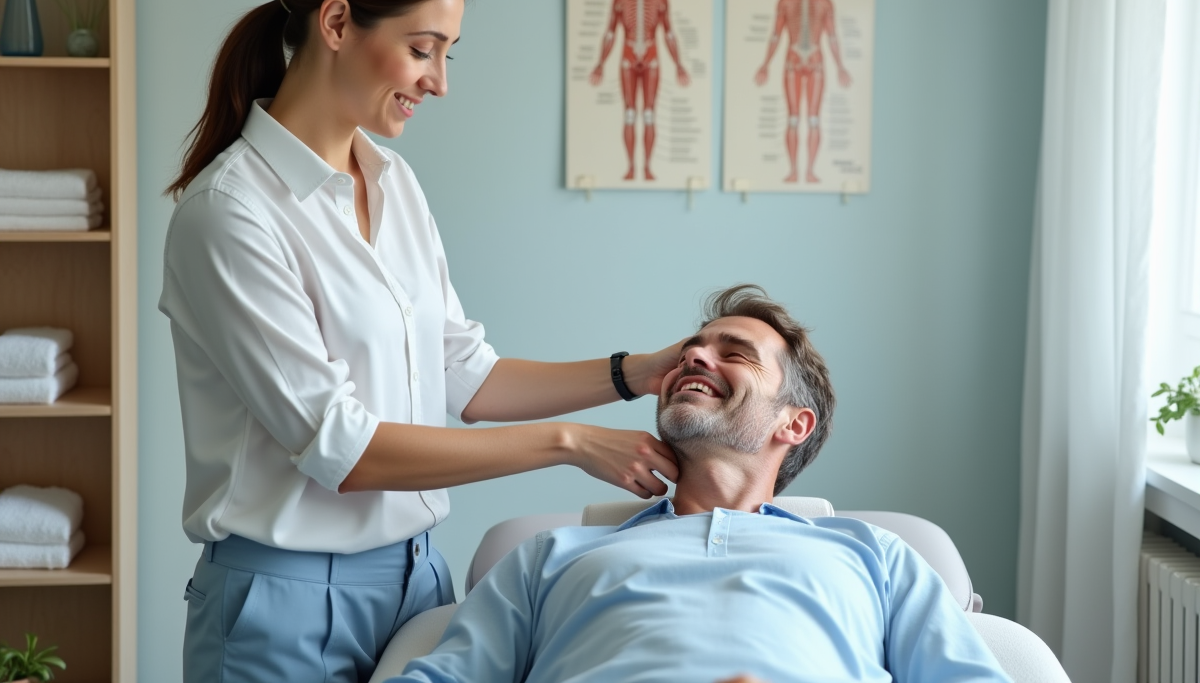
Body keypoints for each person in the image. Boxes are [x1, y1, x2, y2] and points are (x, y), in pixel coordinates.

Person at [158, 0, 683, 683]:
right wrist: (569, 443)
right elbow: (344, 448)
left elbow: (464, 375)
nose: (438, 82)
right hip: (284, 607)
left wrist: (635, 372)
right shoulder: (229, 215)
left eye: (448, 53)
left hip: (417, 582)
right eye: (422, 50)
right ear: (337, 23)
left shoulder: (392, 183)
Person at [389, 285, 1012, 683]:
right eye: (691, 350)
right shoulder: (547, 559)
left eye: (734, 353)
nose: (693, 357)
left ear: (794, 423)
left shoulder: (875, 557)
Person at [589, 0, 691, 181]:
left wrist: (679, 64)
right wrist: (600, 63)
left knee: (648, 114)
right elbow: (610, 33)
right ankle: (630, 167)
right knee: (628, 113)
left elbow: (669, 33)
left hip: (652, 57)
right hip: (627, 57)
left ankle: (646, 167)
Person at [754, 0, 852, 184]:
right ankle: (796, 171)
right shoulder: (792, 2)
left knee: (807, 119)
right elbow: (777, 35)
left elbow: (831, 35)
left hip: (807, 60)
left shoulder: (801, 2)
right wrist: (765, 64)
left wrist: (840, 66)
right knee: (796, 118)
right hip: (798, 60)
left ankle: (806, 171)